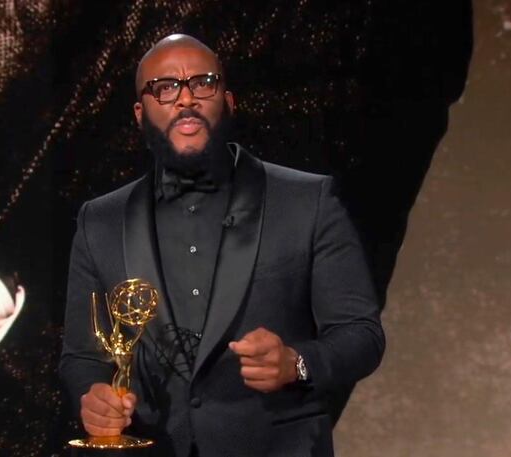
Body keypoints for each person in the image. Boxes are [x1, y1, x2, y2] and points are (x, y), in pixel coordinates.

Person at [60, 34, 385, 457]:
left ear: (229, 101)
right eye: (165, 87)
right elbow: (81, 355)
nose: (185, 99)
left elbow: (362, 336)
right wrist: (93, 396)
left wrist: (296, 362)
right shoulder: (99, 220)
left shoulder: (308, 201)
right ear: (140, 114)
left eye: (203, 83)